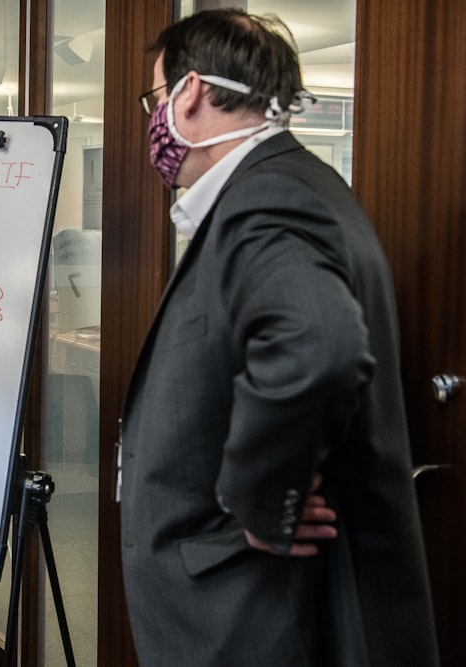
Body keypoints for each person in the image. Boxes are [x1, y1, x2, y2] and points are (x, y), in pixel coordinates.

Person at [119, 9, 439, 666]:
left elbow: (318, 344)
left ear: (191, 94)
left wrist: (263, 498)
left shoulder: (268, 198)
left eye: (154, 99)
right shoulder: (290, 184)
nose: (152, 121)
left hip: (246, 609)